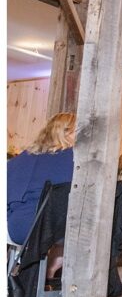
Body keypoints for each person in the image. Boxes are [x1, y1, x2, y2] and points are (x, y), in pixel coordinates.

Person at [7, 112, 76, 279]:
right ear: (66, 133)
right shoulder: (75, 159)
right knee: (78, 226)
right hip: (50, 230)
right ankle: (50, 271)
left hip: (15, 229)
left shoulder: (22, 158)